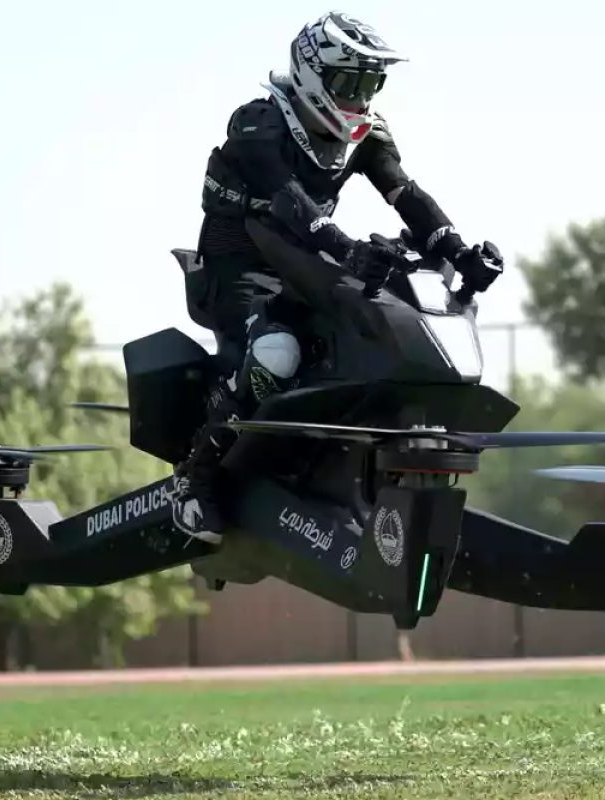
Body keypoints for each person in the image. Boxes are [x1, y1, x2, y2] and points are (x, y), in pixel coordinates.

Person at [171, 11, 503, 543]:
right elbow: (291, 204)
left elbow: (406, 194)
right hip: (239, 272)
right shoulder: (259, 124)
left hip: (306, 262)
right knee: (278, 352)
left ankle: (348, 470)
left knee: (370, 334)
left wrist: (460, 251)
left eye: (371, 83)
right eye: (350, 83)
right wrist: (348, 252)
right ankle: (196, 474)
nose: (360, 98)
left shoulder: (368, 132)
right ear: (311, 74)